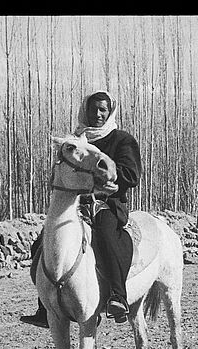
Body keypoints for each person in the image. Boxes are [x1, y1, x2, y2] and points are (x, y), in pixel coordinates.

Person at [21, 90, 142, 327]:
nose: (97, 114)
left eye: (103, 110)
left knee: (106, 236)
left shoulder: (122, 140)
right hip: (76, 205)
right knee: (45, 243)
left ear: (110, 112)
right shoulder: (76, 141)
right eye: (93, 109)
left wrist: (107, 179)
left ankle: (118, 297)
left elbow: (131, 175)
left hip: (107, 202)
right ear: (85, 110)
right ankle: (45, 304)